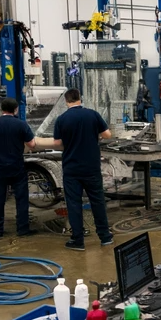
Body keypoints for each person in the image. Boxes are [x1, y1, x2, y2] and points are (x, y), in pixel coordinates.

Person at [49, 88, 113, 251]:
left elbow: (57, 144)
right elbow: (107, 135)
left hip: (72, 169)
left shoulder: (61, 119)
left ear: (66, 101)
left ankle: (78, 241)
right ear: (80, 98)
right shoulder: (93, 115)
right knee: (97, 201)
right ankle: (105, 237)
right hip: (91, 167)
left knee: (74, 204)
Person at [0, 97, 37, 239]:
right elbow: (32, 145)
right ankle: (22, 229)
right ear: (15, 109)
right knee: (21, 199)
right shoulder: (21, 125)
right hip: (16, 167)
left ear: (1, 109)